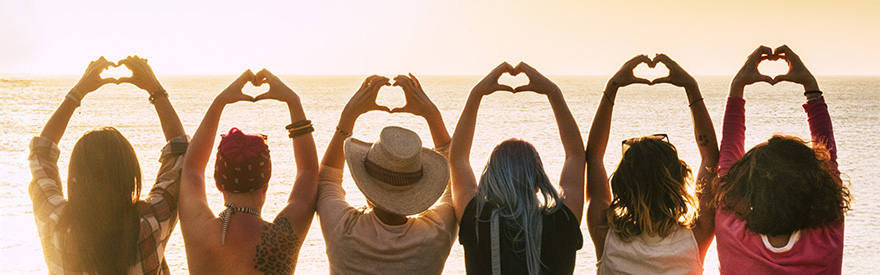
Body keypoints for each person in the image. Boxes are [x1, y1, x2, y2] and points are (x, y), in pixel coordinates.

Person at [29, 56, 188, 274]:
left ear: (76, 177)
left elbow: (41, 154)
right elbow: (180, 154)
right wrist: (155, 90)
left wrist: (78, 92)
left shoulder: (56, 222)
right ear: (130, 177)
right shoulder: (149, 225)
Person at [713, 45, 851, 274]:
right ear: (816, 183)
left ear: (746, 187)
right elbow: (829, 158)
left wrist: (738, 86)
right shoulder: (826, 234)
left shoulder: (733, 231)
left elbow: (727, 157)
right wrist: (810, 86)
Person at [584, 54, 719, 274]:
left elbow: (594, 157)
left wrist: (612, 87)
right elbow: (710, 158)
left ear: (622, 184)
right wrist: (691, 87)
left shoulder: (606, 236)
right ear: (678, 180)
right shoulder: (696, 237)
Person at [178, 69, 319, 274]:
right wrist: (293, 101)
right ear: (266, 183)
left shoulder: (200, 231)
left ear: (218, 182)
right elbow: (308, 171)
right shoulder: (283, 236)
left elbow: (192, 168)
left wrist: (219, 103)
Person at [450, 62, 585, 275]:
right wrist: (553, 93)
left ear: (491, 179)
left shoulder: (477, 219)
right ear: (538, 182)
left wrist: (476, 94)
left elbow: (458, 159)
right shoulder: (562, 222)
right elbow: (576, 156)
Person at [316, 74, 456, 274]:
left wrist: (349, 115)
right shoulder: (435, 235)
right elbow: (456, 183)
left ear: (365, 183)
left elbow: (327, 178)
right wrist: (432, 115)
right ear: (419, 186)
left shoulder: (342, 229)